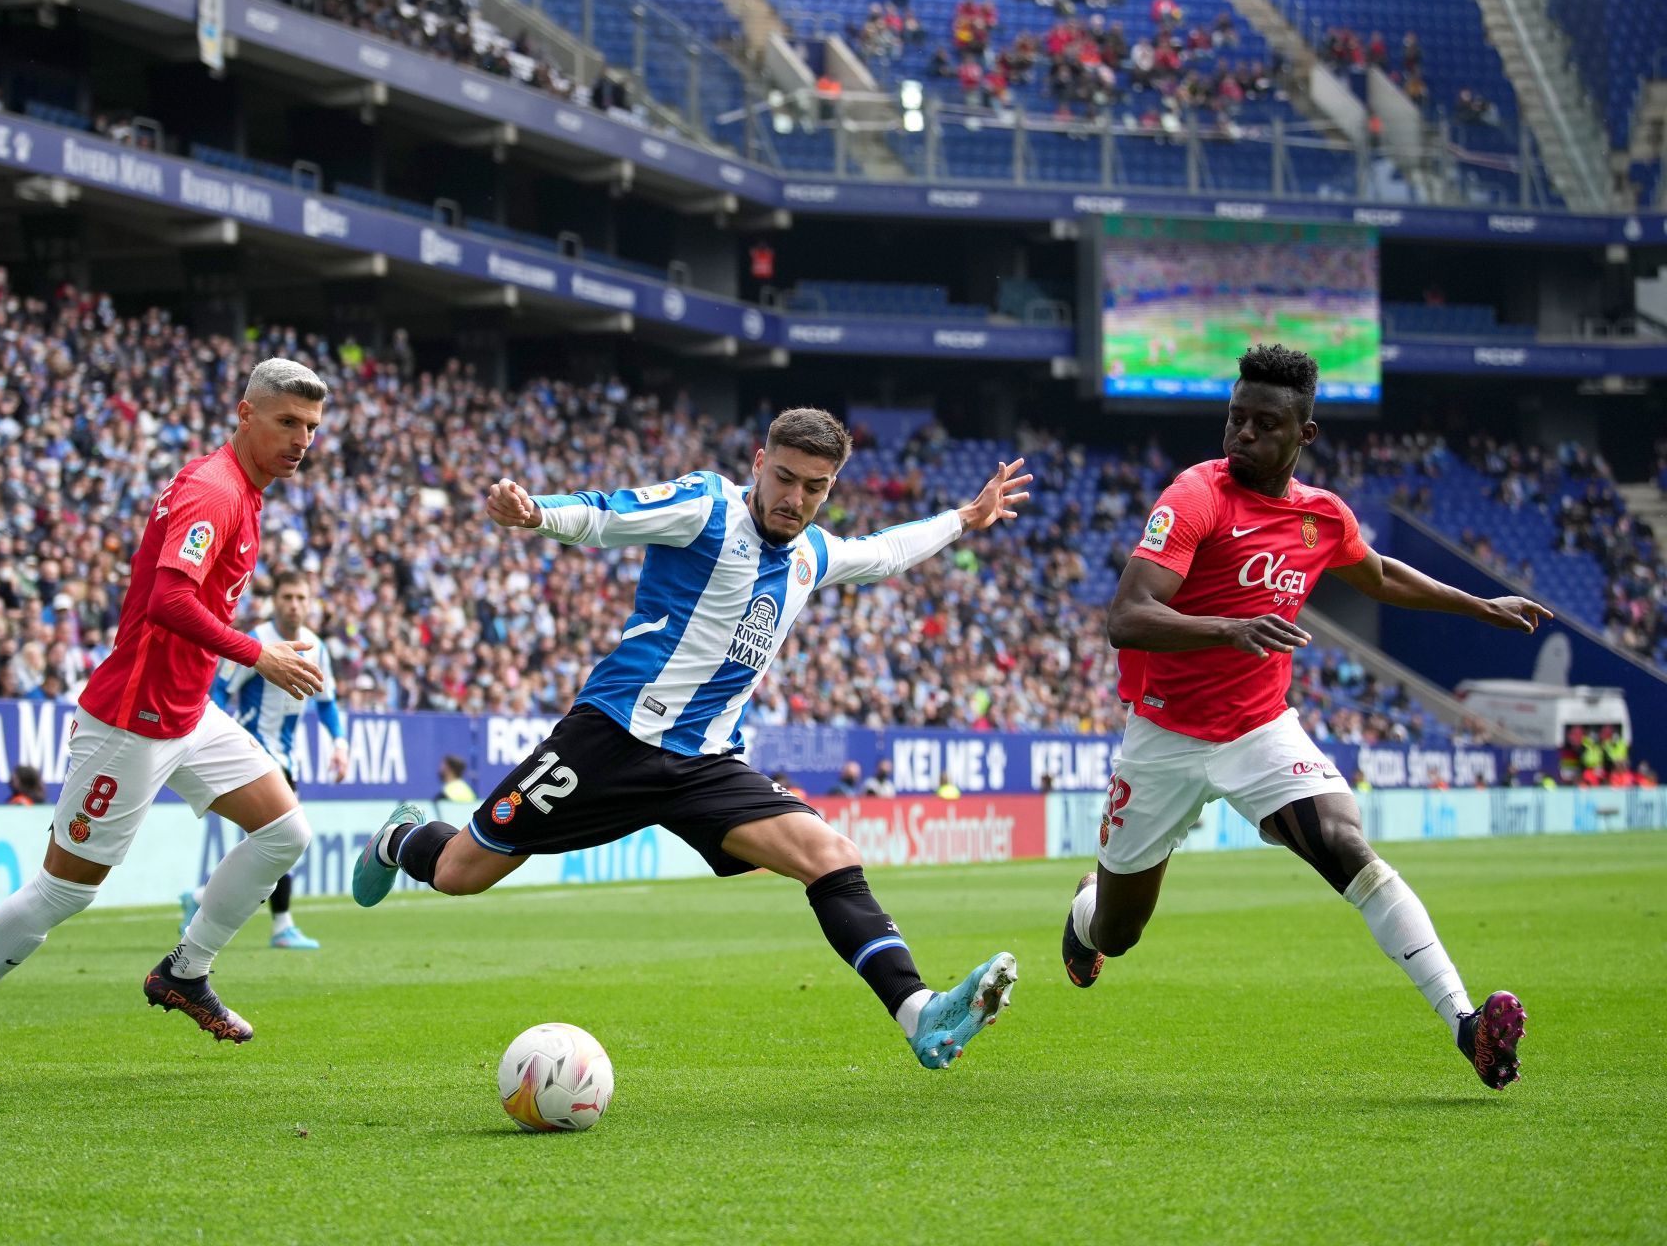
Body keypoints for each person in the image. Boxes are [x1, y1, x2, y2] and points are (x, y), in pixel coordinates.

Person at [353, 408, 1034, 1070]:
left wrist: (964, 519)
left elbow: (883, 554)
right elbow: (607, 515)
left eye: (815, 488)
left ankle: (920, 1013)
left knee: (829, 853)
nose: (795, 499)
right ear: (760, 465)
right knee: (459, 873)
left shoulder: (812, 555)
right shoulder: (705, 507)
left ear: (831, 488)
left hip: (705, 765)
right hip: (612, 741)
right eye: (786, 479)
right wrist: (535, 513)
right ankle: (400, 839)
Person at [1061, 344, 1552, 1092]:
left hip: (1260, 730)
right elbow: (1127, 616)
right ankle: (1085, 915)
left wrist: (1479, 604)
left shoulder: (1321, 517)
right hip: (1164, 734)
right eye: (1236, 419)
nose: (1243, 436)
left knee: (1348, 845)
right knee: (1120, 934)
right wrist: (1231, 627)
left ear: (1304, 435)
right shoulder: (1195, 497)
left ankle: (1465, 1023)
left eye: (1264, 424)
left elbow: (1380, 574)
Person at [0, 359, 332, 1082]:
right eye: (287, 423)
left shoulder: (246, 491)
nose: (302, 440)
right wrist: (258, 654)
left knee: (284, 830)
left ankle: (184, 971)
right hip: (132, 719)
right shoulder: (214, 492)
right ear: (245, 414)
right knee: (66, 890)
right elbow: (170, 600)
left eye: (312, 428)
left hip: (186, 711)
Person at [179, 569, 352, 951]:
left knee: (271, 842)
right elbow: (220, 691)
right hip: (253, 751)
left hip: (286, 756)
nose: (294, 605)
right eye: (287, 597)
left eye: (301, 598)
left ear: (311, 602)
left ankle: (200, 897)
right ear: (274, 600)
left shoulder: (316, 646)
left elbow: (326, 704)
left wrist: (339, 743)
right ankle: (281, 926)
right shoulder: (256, 641)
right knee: (286, 834)